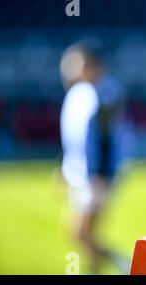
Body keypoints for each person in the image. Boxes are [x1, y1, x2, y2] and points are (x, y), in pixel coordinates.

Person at [59, 40, 128, 273]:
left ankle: (124, 264)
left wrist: (100, 175)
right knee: (85, 234)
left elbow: (106, 139)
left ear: (89, 65)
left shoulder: (106, 94)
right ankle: (97, 268)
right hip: (85, 173)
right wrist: (64, 168)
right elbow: (75, 138)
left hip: (96, 175)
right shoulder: (82, 93)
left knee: (80, 232)